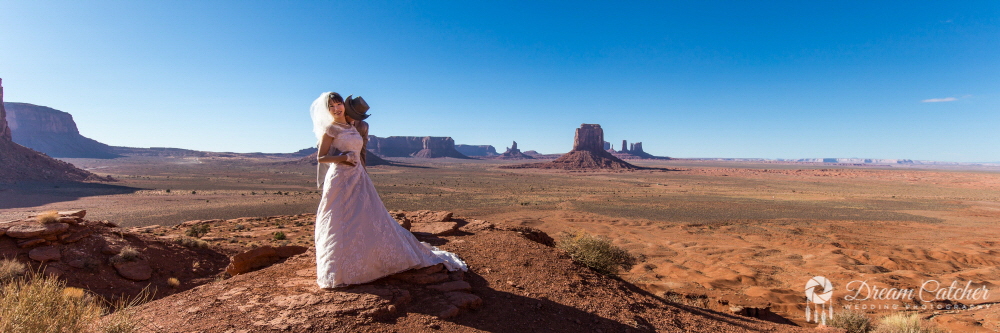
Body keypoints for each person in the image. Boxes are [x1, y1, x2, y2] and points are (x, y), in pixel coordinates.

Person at [310, 92, 467, 288]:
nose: (336, 109)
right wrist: (343, 158)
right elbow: (321, 157)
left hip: (357, 176)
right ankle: (339, 269)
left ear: (344, 105)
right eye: (331, 106)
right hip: (340, 178)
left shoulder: (355, 126)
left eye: (338, 104)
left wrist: (362, 170)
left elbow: (362, 150)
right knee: (339, 218)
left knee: (365, 215)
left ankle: (366, 258)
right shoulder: (330, 128)